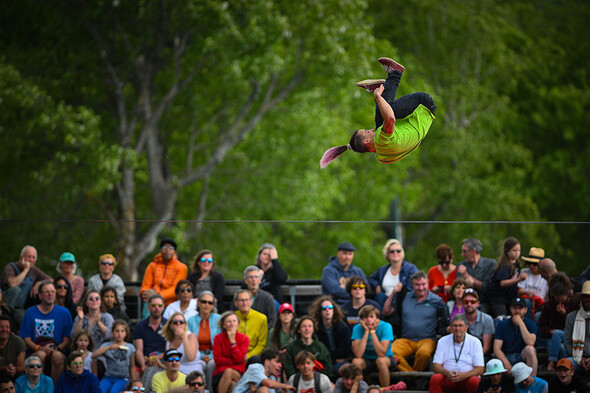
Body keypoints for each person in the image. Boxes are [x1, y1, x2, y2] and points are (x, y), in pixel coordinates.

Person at [319, 57, 436, 168]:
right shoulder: (381, 139)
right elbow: (390, 118)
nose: (370, 130)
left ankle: (384, 87)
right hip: (423, 105)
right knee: (387, 111)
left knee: (380, 122)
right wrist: (377, 97)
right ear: (366, 141)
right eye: (366, 131)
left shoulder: (382, 157)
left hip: (422, 121)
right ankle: (395, 73)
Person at [386, 271, 445, 372]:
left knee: (424, 353)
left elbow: (444, 318)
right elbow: (386, 311)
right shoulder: (405, 297)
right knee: (390, 351)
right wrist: (393, 292)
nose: (421, 287)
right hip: (406, 339)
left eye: (423, 284)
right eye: (417, 285)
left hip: (427, 339)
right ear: (412, 285)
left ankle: (413, 377)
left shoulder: (437, 301)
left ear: (428, 283)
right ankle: (413, 376)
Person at [19, 281, 72, 384]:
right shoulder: (30, 312)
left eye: (53, 291)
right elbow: (26, 338)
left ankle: (54, 389)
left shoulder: (64, 312)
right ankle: (38, 388)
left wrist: (57, 348)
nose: (50, 294)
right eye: (46, 291)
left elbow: (67, 339)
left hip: (57, 349)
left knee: (58, 356)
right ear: (40, 295)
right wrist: (41, 348)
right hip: (36, 350)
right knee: (41, 355)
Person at [429, 314, 485, 393]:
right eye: (455, 326)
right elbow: (435, 366)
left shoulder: (475, 342)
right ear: (450, 328)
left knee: (475, 380)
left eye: (460, 325)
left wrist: (463, 375)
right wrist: (447, 373)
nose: (458, 328)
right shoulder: (442, 341)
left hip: (467, 379)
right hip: (448, 378)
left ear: (466, 328)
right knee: (436, 378)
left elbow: (480, 369)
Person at [1, 246, 51, 324]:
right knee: (16, 290)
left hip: (19, 308)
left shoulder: (34, 271)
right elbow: (12, 284)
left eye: (33, 257)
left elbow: (51, 280)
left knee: (26, 320)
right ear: (21, 257)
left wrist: (39, 283)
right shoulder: (11, 267)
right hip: (5, 305)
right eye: (29, 257)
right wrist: (26, 270)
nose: (31, 260)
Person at [537, 273, 577, 371]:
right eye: (556, 297)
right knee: (561, 347)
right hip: (553, 339)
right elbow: (542, 324)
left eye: (561, 296)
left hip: (569, 335)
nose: (559, 299)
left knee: (557, 334)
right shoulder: (548, 305)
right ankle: (564, 367)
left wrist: (564, 315)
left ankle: (551, 363)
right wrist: (549, 331)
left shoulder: (573, 304)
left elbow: (576, 325)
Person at [351, 305, 395, 388]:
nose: (369, 320)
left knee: (380, 361)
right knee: (356, 362)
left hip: (386, 358)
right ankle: (361, 389)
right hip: (366, 359)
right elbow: (358, 354)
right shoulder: (357, 328)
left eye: (371, 317)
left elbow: (381, 353)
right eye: (365, 317)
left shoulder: (386, 326)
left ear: (377, 318)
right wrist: (366, 332)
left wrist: (372, 331)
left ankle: (386, 389)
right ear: (361, 320)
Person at [493, 297, 538, 376]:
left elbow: (530, 342)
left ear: (526, 310)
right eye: (515, 308)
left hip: (522, 356)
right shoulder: (502, 324)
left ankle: (532, 380)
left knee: (530, 349)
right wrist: (507, 364)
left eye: (520, 308)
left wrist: (520, 323)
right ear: (510, 309)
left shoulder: (531, 324)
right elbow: (496, 348)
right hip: (507, 356)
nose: (517, 311)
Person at [187, 291, 221, 393]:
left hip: (215, 354)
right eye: (204, 302)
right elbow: (189, 342)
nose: (207, 305)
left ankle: (209, 390)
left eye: (210, 303)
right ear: (198, 303)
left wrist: (210, 356)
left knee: (211, 364)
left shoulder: (219, 319)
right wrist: (201, 356)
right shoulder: (191, 320)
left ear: (213, 305)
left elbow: (220, 343)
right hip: (196, 354)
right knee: (201, 364)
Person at [140, 239, 188, 310]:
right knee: (149, 297)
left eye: (171, 248)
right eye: (165, 247)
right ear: (160, 250)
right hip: (152, 300)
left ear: (174, 252)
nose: (167, 250)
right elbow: (145, 285)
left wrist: (157, 296)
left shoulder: (182, 267)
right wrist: (145, 293)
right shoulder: (152, 265)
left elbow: (176, 289)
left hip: (171, 303)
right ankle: (147, 321)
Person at [369, 239, 418, 309]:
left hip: (402, 303)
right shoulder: (383, 270)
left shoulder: (410, 268)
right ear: (387, 254)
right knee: (380, 296)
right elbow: (371, 278)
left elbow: (412, 288)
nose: (395, 253)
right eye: (392, 251)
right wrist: (377, 286)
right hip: (385, 302)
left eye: (398, 251)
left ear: (402, 253)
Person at [308, 296, 352, 373]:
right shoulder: (315, 329)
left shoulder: (342, 327)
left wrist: (330, 354)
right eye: (324, 308)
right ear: (320, 312)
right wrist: (334, 358)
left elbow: (346, 351)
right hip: (322, 363)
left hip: (341, 362)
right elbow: (318, 351)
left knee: (347, 369)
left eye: (330, 307)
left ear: (334, 310)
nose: (327, 310)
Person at [485, 237, 526, 318]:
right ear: (507, 251)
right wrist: (519, 279)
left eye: (518, 250)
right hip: (498, 298)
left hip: (508, 298)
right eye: (514, 250)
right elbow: (502, 283)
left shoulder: (516, 264)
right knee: (501, 318)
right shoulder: (505, 265)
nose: (517, 253)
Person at [92, 320, 136, 393]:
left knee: (113, 391)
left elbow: (132, 366)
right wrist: (109, 348)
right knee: (99, 391)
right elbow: (93, 355)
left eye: (122, 331)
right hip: (108, 377)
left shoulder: (130, 347)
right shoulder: (107, 345)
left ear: (126, 333)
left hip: (123, 378)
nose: (119, 333)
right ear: (112, 332)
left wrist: (134, 382)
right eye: (117, 331)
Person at [456, 239, 497, 314]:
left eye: (465, 251)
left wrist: (467, 276)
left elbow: (488, 288)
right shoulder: (461, 265)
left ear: (474, 251)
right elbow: (458, 286)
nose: (462, 254)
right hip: (465, 303)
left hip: (485, 303)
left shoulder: (490, 264)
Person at [212, 311, 249, 393]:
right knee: (231, 383)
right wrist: (233, 361)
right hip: (220, 372)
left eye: (234, 321)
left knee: (229, 372)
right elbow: (217, 359)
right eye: (229, 321)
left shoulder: (244, 339)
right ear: (224, 325)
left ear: (238, 324)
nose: (232, 324)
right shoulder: (218, 338)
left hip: (238, 372)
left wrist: (233, 342)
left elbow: (239, 359)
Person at [133, 294, 167, 375]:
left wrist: (156, 359)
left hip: (162, 361)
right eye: (153, 305)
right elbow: (139, 351)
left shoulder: (168, 325)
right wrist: (143, 366)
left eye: (159, 305)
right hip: (144, 360)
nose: (156, 308)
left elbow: (169, 350)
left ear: (163, 307)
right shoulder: (140, 326)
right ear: (148, 307)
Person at [564, 280, 590, 372]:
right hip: (576, 358)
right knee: (566, 365)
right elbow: (567, 342)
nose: (588, 299)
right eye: (585, 297)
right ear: (581, 298)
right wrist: (579, 358)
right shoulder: (571, 317)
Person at [234, 289, 268, 358]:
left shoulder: (261, 318)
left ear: (251, 301)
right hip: (235, 354)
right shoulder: (232, 318)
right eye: (241, 300)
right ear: (236, 303)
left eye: (247, 300)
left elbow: (261, 344)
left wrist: (248, 356)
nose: (245, 303)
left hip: (254, 356)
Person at [462, 289, 495, 356]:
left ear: (477, 303)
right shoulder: (458, 319)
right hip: (462, 354)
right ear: (462, 303)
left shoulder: (487, 319)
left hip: (481, 354)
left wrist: (474, 358)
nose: (469, 304)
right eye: (466, 302)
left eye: (472, 301)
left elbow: (486, 347)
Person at [0, 315, 25, 380]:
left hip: (13, 373)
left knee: (21, 374)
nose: (4, 330)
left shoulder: (17, 341)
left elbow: (21, 367)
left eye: (7, 327)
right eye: (1, 327)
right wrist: (4, 369)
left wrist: (12, 369)